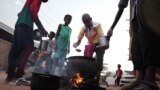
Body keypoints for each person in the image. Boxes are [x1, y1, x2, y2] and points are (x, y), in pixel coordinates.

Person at [107, 0, 160, 89]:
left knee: (149, 41)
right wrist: (112, 27)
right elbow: (121, 6)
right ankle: (139, 79)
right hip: (134, 17)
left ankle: (150, 79)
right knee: (136, 47)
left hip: (149, 10)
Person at [6, 0, 48, 83]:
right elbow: (33, 12)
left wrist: (23, 15)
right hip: (26, 25)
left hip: (19, 25)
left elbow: (19, 14)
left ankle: (10, 76)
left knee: (15, 50)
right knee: (28, 47)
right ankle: (18, 74)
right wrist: (42, 29)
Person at [73, 13, 105, 85]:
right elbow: (79, 41)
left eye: (88, 21)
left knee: (99, 62)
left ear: (91, 19)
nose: (87, 24)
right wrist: (76, 44)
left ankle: (97, 80)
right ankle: (87, 79)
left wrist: (101, 46)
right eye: (85, 22)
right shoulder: (83, 28)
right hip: (90, 44)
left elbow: (101, 37)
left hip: (99, 44)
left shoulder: (97, 25)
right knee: (86, 60)